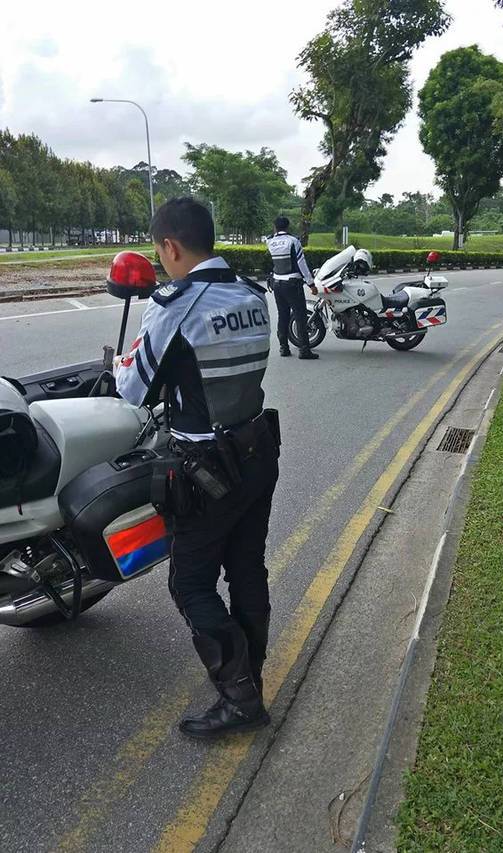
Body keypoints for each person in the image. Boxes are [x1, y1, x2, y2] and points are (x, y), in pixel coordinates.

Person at [115, 198, 279, 740]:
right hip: (258, 451)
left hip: (207, 469)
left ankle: (240, 698)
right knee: (247, 567)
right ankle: (252, 673)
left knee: (189, 584)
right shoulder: (252, 295)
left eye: (159, 251)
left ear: (170, 246)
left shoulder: (176, 303)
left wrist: (122, 361)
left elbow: (133, 389)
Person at [266, 216, 319, 360]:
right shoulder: (293, 241)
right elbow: (302, 264)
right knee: (300, 316)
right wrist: (311, 284)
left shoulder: (270, 242)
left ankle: (283, 348)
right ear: (288, 226)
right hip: (292, 283)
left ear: (275, 227)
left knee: (282, 315)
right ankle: (304, 350)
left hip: (277, 283)